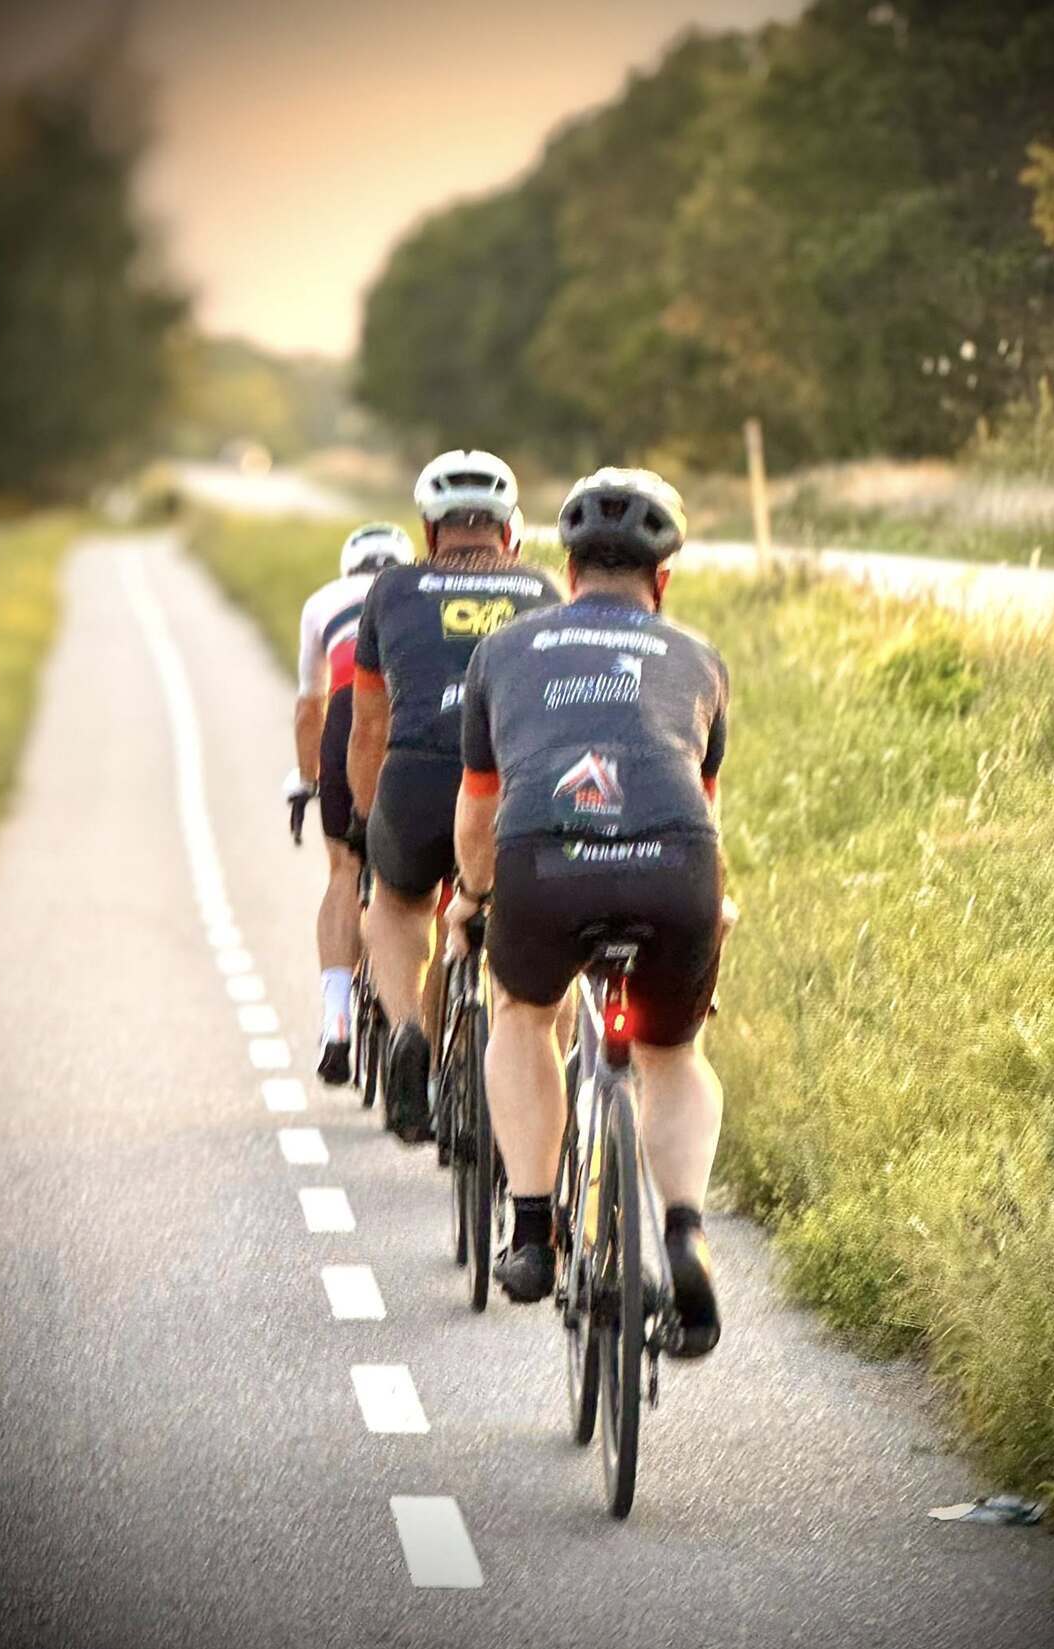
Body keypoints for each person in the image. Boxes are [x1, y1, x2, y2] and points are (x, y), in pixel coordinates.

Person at [446, 467, 729, 1357]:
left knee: (524, 1013)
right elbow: (704, 811)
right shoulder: (700, 659)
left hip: (546, 865)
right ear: (662, 579)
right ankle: (684, 1231)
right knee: (672, 1053)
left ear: (567, 571)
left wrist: (472, 902)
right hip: (676, 867)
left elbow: (478, 813)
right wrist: (712, 911)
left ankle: (533, 1230)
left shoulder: (502, 654)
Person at [346, 450, 560, 1142]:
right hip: (513, 784)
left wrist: (366, 821)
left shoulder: (391, 589)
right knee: (514, 915)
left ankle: (409, 1027)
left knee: (397, 903)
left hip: (418, 776)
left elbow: (369, 725)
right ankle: (507, 1075)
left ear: (429, 529)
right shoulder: (544, 589)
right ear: (510, 529)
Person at [284, 521, 415, 1083]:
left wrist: (305, 779)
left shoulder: (323, 601)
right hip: (412, 715)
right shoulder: (418, 592)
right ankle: (421, 1027)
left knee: (344, 870)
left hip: (346, 715)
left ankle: (336, 1018)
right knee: (420, 881)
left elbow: (308, 709)